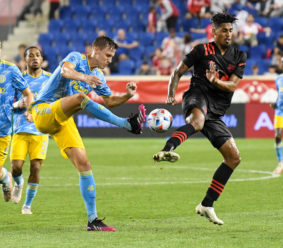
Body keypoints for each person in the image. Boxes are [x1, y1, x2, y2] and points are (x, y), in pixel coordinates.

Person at [29, 36, 146, 231]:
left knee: (84, 163)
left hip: (63, 120)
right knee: (80, 98)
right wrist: (84, 77)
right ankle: (127, 125)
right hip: (43, 111)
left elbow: (109, 101)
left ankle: (93, 220)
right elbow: (65, 71)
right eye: (107, 55)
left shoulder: (98, 74)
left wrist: (127, 95)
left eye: (112, 56)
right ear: (95, 50)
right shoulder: (76, 58)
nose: (110, 60)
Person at [153, 12, 247, 225]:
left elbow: (232, 85)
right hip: (196, 96)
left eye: (231, 30)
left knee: (234, 158)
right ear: (214, 31)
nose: (228, 34)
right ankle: (168, 149)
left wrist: (215, 82)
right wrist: (171, 93)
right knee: (197, 122)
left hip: (216, 111)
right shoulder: (200, 50)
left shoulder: (239, 56)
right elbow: (177, 72)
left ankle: (207, 204)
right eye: (224, 30)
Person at [10, 46, 50, 214]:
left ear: (42, 59)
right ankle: (18, 183)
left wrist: (39, 113)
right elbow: (7, 104)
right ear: (25, 60)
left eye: (38, 55)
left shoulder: (49, 79)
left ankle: (27, 205)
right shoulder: (18, 79)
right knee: (16, 168)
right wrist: (19, 105)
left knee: (36, 168)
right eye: (31, 56)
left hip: (40, 131)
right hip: (20, 129)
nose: (35, 58)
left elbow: (54, 104)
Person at [0, 41, 33, 202]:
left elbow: (27, 93)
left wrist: (28, 109)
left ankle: (5, 177)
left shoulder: (10, 70)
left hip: (2, 129)